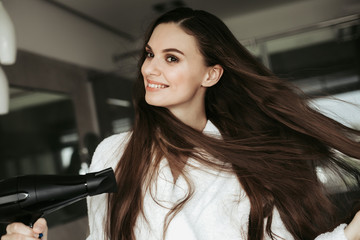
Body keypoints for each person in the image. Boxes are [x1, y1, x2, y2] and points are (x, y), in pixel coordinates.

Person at [2, 7, 360, 240]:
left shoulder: (248, 163)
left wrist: (350, 235)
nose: (149, 69)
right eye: (149, 54)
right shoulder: (113, 152)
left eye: (171, 58)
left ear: (211, 73)